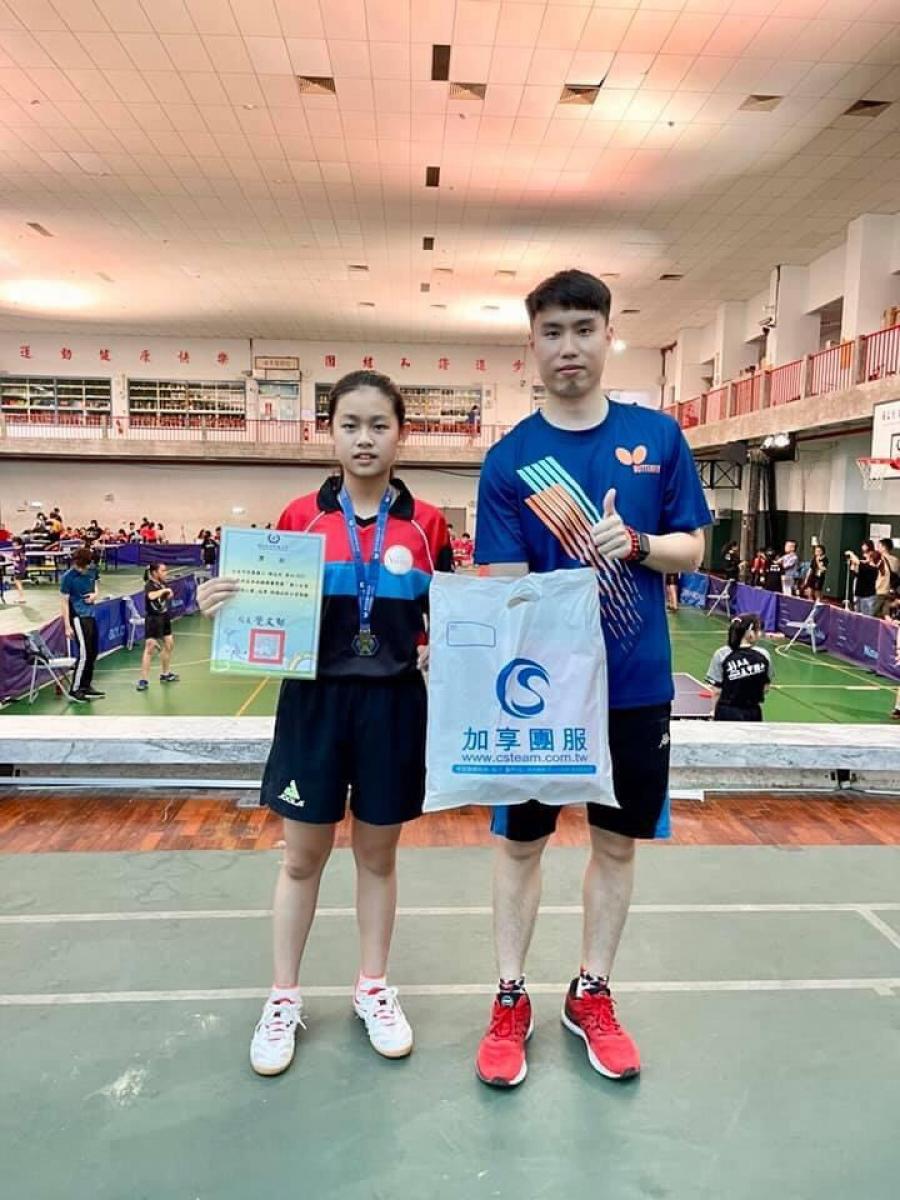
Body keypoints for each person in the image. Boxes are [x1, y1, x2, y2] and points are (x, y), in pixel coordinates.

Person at [472, 269, 710, 1088]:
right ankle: (511, 995)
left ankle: (592, 993)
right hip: (541, 693)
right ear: (531, 345)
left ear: (609, 334)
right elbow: (506, 583)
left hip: (636, 686)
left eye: (583, 329)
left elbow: (692, 548)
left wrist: (635, 544)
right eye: (552, 332)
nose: (568, 346)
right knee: (520, 843)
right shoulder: (510, 460)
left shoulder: (660, 437)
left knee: (616, 844)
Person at [195, 370, 452, 1076]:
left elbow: (451, 613)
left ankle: (373, 988)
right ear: (328, 433)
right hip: (314, 704)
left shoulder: (428, 524)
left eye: (379, 425)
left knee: (378, 858)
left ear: (401, 434)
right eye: (350, 425)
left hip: (393, 706)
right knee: (300, 858)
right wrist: (224, 602)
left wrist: (460, 637)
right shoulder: (298, 517)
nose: (365, 439)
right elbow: (266, 601)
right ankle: (282, 998)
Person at [705, 614, 772, 721]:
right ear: (750, 633)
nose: (760, 633)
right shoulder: (764, 655)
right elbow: (766, 688)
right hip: (752, 712)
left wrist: (714, 711)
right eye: (758, 630)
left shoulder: (721, 654)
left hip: (726, 712)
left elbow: (717, 690)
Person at [59, 546, 105, 703]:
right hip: (78, 617)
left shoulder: (92, 570)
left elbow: (96, 586)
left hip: (91, 614)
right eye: (78, 566)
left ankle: (86, 686)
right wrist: (67, 626)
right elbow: (64, 602)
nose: (80, 569)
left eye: (83, 566)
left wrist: (95, 595)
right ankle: (75, 689)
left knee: (93, 652)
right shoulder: (68, 577)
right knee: (84, 654)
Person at [136, 562, 179, 691]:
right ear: (155, 572)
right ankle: (143, 680)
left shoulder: (162, 583)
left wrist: (168, 593)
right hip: (153, 619)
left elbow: (169, 595)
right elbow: (151, 596)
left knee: (169, 644)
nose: (166, 573)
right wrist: (164, 591)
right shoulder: (149, 585)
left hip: (164, 617)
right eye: (163, 571)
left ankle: (165, 674)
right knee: (149, 648)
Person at [847, 541, 884, 617]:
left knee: (866, 618)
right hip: (859, 594)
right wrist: (853, 565)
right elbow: (856, 573)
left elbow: (858, 562)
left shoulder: (872, 569)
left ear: (872, 558)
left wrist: (851, 553)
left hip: (867, 597)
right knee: (858, 616)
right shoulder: (866, 566)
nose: (865, 556)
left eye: (867, 555)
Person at [9, 536, 27, 604]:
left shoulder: (18, 550)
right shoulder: (21, 548)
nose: (12, 543)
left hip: (19, 568)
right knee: (18, 582)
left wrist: (10, 557)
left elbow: (18, 559)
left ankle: (22, 597)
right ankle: (20, 597)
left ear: (16, 543)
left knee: (18, 582)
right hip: (20, 567)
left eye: (13, 542)